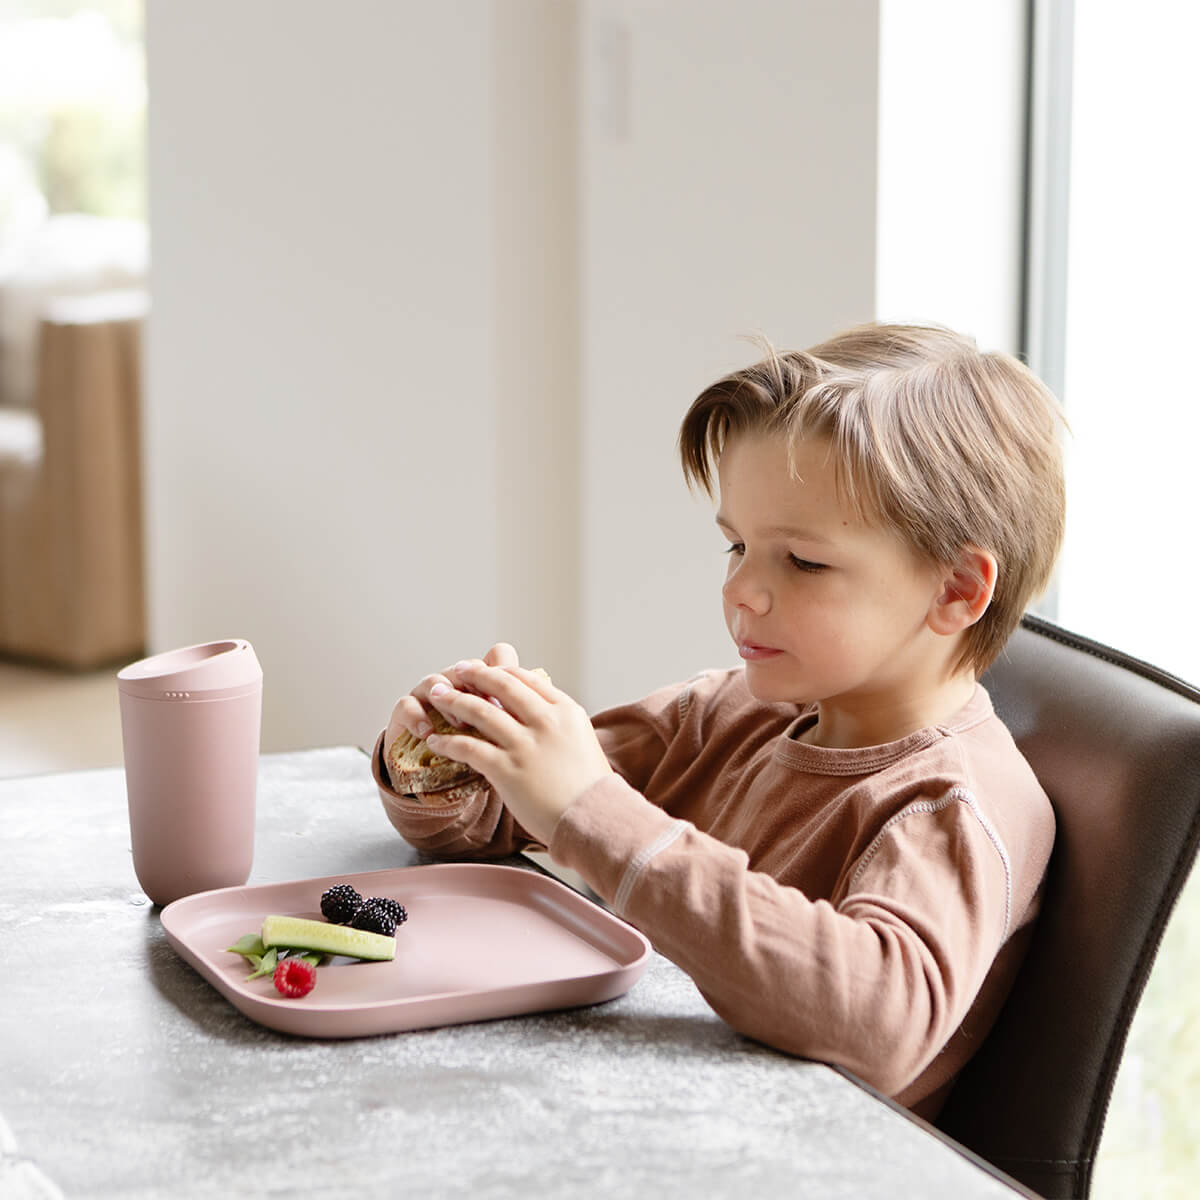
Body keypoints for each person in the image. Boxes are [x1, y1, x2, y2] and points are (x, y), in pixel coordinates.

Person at [375, 322, 1066, 1119]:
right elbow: (511, 815)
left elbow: (875, 1020)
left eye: (802, 561)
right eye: (736, 546)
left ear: (955, 590)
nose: (743, 590)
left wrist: (591, 811)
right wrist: (449, 759)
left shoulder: (954, 805)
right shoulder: (724, 713)